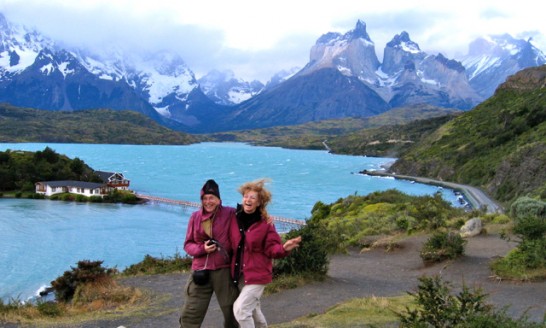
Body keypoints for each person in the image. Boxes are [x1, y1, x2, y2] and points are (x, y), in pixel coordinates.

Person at [229, 178, 302, 328]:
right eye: (246, 196)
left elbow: (272, 248)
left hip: (257, 274)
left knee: (241, 310)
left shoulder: (265, 224)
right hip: (240, 274)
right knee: (254, 310)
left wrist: (284, 248)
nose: (248, 199)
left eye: (252, 197)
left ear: (259, 202)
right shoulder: (234, 218)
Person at [180, 179, 239, 328]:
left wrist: (266, 219)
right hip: (200, 271)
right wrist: (202, 249)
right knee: (191, 312)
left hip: (223, 269)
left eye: (211, 198)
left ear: (219, 200)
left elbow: (250, 216)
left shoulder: (230, 213)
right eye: (205, 198)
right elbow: (188, 245)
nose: (208, 202)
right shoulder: (195, 217)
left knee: (231, 311)